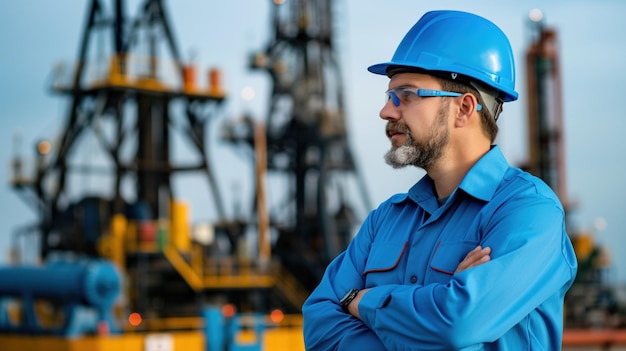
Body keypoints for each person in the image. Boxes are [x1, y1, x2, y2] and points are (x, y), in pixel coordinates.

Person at [302, 10, 578, 350]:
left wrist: (363, 301)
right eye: (389, 97)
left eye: (406, 95)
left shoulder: (529, 211)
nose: (386, 112)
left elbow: (458, 324)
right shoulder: (385, 220)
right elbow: (319, 327)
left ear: (463, 109)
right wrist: (437, 306)